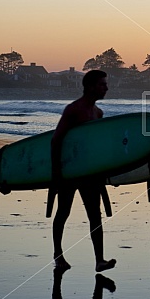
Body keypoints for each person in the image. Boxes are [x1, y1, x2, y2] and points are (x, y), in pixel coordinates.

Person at [50, 69, 116, 272]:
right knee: (63, 212)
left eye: (106, 84)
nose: (106, 87)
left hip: (89, 173)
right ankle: (58, 254)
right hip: (70, 172)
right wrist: (57, 174)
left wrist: (104, 171)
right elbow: (56, 140)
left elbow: (96, 147)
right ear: (90, 87)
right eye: (102, 84)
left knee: (95, 216)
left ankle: (99, 260)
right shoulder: (74, 109)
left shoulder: (98, 113)